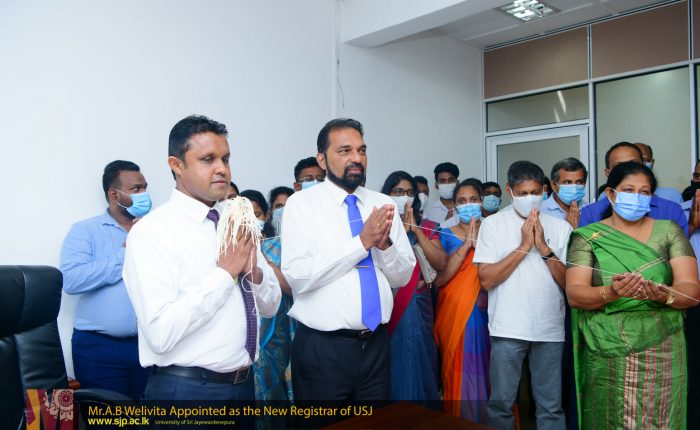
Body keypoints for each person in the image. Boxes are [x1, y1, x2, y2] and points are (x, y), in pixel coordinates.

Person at [122, 115, 281, 404]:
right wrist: (225, 275)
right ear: (177, 165)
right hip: (187, 391)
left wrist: (254, 273)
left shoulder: (236, 222)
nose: (222, 169)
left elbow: (270, 308)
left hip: (244, 385)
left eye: (225, 159)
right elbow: (160, 333)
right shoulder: (151, 232)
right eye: (208, 159)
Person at [281, 118, 415, 406]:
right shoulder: (302, 205)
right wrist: (361, 243)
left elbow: (402, 277)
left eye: (361, 150)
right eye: (345, 151)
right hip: (323, 348)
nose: (357, 158)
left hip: (376, 345)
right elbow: (298, 277)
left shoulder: (382, 204)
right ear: (322, 159)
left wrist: (385, 246)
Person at [566, 161, 700, 429]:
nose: (636, 197)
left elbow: (691, 289)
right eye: (628, 190)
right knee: (611, 417)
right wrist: (610, 292)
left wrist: (666, 295)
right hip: (605, 346)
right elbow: (575, 294)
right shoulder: (588, 236)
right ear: (610, 194)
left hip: (662, 345)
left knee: (661, 416)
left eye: (644, 192)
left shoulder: (669, 231)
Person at [473, 161, 571, 430]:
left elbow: (569, 284)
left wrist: (544, 249)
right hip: (507, 327)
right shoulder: (492, 225)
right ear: (509, 191)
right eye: (523, 193)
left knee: (551, 407)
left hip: (549, 329)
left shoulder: (561, 227)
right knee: (501, 405)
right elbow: (486, 280)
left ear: (545, 190)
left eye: (535, 192)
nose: (530, 198)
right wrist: (524, 246)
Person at [60, 160, 151, 399]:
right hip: (98, 349)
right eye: (136, 189)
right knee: (106, 416)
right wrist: (125, 252)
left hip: (149, 345)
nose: (144, 194)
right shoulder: (85, 231)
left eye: (145, 187)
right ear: (114, 194)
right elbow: (71, 280)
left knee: (149, 416)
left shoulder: (157, 231)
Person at [380, 171, 446, 404]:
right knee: (392, 364)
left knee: (420, 359)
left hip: (418, 305)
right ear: (387, 195)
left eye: (409, 192)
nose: (404, 197)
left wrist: (415, 230)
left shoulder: (427, 226)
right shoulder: (378, 227)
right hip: (389, 305)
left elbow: (441, 263)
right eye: (398, 192)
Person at [433, 178, 490, 423]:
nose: (468, 205)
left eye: (473, 199)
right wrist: (467, 245)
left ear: (481, 201)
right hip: (456, 313)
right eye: (462, 201)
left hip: (490, 312)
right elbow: (440, 279)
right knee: (460, 371)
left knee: (489, 371)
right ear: (455, 205)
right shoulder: (444, 234)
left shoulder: (495, 231)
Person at [580, 142, 688, 235]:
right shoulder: (591, 214)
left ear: (644, 167)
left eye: (634, 164)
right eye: (619, 166)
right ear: (608, 173)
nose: (629, 171)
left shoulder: (671, 210)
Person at [542, 158, 587, 229]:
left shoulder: (591, 210)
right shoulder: (541, 211)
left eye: (579, 182)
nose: (574, 188)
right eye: (567, 182)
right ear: (553, 185)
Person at [424, 162, 460, 228]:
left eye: (451, 180)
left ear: (457, 183)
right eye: (442, 181)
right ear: (436, 185)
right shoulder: (428, 210)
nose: (447, 184)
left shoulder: (465, 208)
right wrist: (445, 224)